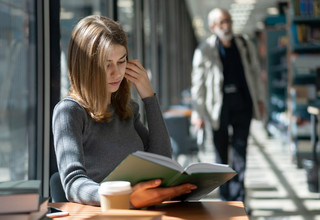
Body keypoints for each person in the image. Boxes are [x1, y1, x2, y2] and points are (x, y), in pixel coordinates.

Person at [52, 15, 197, 208]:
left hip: (140, 212)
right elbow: (73, 184)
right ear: (86, 66)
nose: (117, 73)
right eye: (107, 63)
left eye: (121, 61)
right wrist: (123, 197)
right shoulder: (69, 112)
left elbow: (162, 161)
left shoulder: (126, 109)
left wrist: (149, 97)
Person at [191, 8, 265, 202]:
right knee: (220, 155)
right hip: (219, 109)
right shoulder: (204, 50)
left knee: (240, 152)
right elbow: (198, 85)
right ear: (213, 27)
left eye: (229, 21)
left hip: (243, 105)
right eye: (222, 22)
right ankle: (225, 198)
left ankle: (238, 198)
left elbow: (255, 75)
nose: (227, 26)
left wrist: (260, 100)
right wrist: (198, 113)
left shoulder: (244, 45)